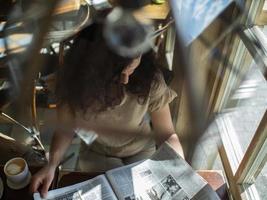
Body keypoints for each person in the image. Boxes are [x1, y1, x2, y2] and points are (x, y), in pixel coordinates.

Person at [30, 23, 184, 198]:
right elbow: (65, 128)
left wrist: (180, 166)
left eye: (132, 68)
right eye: (117, 76)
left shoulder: (149, 77)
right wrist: (51, 164)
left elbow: (167, 134)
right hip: (97, 150)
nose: (126, 80)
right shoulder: (72, 83)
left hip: (140, 148)